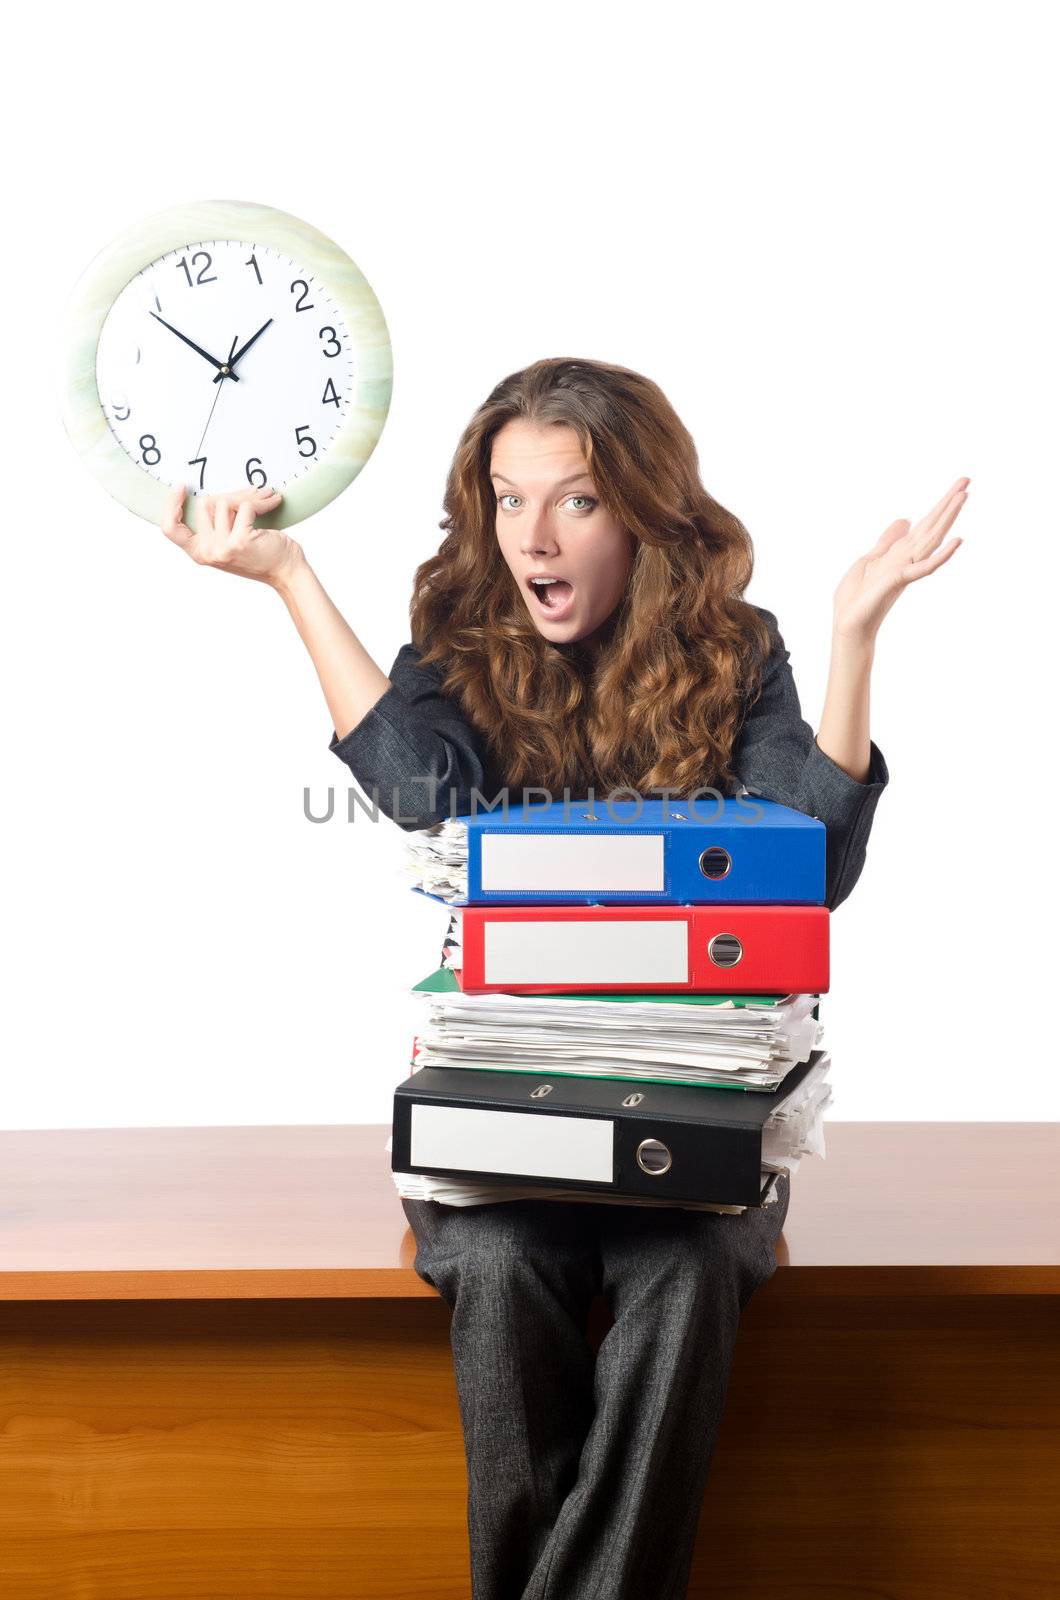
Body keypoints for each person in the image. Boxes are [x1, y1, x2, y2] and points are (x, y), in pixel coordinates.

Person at [159, 356, 966, 1599]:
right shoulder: (464, 647)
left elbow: (802, 869)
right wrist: (288, 578)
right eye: (505, 496)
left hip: (688, 1120)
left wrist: (855, 635)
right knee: (499, 1263)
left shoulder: (734, 651)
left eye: (574, 500)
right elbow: (427, 793)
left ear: (642, 513)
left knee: (685, 1274)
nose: (532, 533)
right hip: (507, 1121)